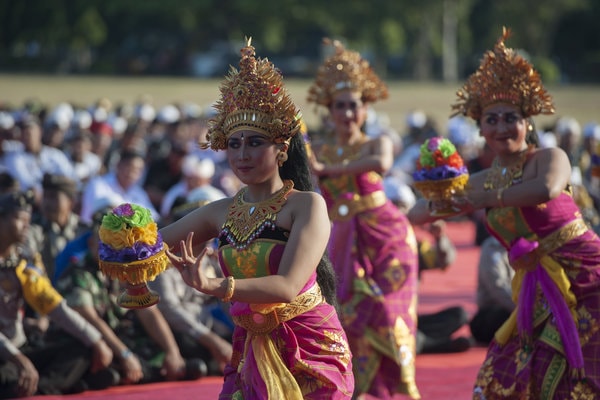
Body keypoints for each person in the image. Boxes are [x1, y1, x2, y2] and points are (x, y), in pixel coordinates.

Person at [409, 27, 600, 398]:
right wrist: (441, 192)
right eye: (491, 119)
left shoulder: (548, 158)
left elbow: (544, 189)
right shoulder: (481, 178)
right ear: (480, 127)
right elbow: (418, 212)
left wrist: (481, 199)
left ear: (528, 122)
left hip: (587, 280)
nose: (501, 127)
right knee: (505, 376)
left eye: (510, 117)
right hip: (536, 292)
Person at [159, 38, 354, 399]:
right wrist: (124, 238)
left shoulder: (306, 205)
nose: (242, 154)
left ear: (281, 149)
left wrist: (215, 286)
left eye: (255, 143)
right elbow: (156, 242)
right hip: (250, 347)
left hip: (308, 348)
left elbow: (285, 287)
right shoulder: (220, 210)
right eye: (234, 144)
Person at [306, 39, 420, 399]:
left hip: (383, 236)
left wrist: (328, 169)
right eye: (339, 106)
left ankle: (389, 385)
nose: (347, 113)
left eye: (354, 105)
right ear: (329, 110)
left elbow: (382, 165)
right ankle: (351, 386)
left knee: (386, 311)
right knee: (343, 313)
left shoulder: (376, 143)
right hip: (338, 239)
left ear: (366, 109)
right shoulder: (318, 148)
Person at [54, 208, 207, 388]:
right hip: (93, 341)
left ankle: (150, 370)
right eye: (105, 242)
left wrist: (172, 352)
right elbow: (91, 319)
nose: (112, 248)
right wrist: (125, 354)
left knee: (174, 348)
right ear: (91, 243)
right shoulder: (78, 273)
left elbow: (148, 312)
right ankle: (129, 373)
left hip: (122, 337)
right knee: (88, 355)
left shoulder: (125, 267)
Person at [0, 190, 114, 397]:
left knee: (82, 347)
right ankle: (54, 384)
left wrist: (96, 340)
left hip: (19, 347)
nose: (27, 225)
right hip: (5, 354)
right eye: (19, 219)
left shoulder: (23, 261)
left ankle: (38, 386)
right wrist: (19, 359)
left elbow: (53, 305)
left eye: (28, 219)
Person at [469, 235, 515, 345]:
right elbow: (498, 289)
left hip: (513, 306)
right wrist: (524, 309)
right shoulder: (492, 248)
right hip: (492, 312)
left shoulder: (522, 245)